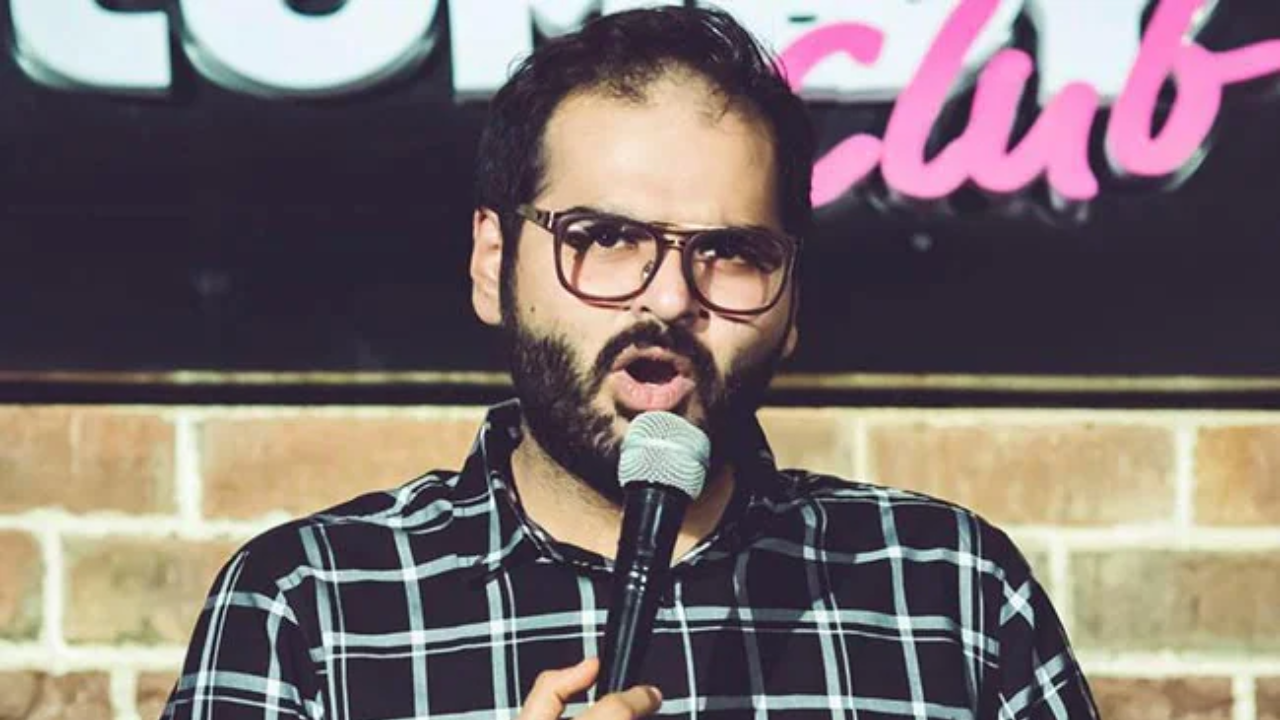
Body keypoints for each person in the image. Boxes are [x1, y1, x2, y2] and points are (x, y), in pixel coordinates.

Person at [163, 7, 1099, 720]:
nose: (668, 298)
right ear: (493, 264)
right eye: (606, 238)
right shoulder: (313, 610)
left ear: (793, 301)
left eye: (731, 252)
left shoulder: (947, 591)